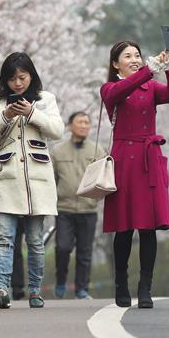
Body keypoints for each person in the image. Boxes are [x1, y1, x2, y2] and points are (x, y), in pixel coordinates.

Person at [101, 40, 169, 308]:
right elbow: (122, 91)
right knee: (124, 228)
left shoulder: (150, 86)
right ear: (115, 64)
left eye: (137, 55)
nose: (135, 59)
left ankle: (145, 287)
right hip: (124, 160)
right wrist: (149, 68)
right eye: (128, 56)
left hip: (148, 160)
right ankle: (121, 282)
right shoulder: (110, 88)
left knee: (149, 227)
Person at [0, 52, 63, 309]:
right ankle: (2, 288)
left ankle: (36, 290)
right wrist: (6, 116)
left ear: (31, 75)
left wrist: (32, 113)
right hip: (7, 177)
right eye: (12, 79)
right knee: (4, 237)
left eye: (22, 77)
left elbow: (57, 131)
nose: (17, 84)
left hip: (37, 179)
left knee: (35, 241)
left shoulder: (45, 99)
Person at [51, 111, 107, 299]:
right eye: (80, 122)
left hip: (88, 209)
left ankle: (82, 289)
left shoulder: (98, 150)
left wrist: (96, 198)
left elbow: (104, 177)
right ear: (70, 126)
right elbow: (52, 179)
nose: (84, 125)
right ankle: (61, 281)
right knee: (63, 247)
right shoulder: (57, 151)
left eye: (87, 122)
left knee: (85, 251)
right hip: (64, 209)